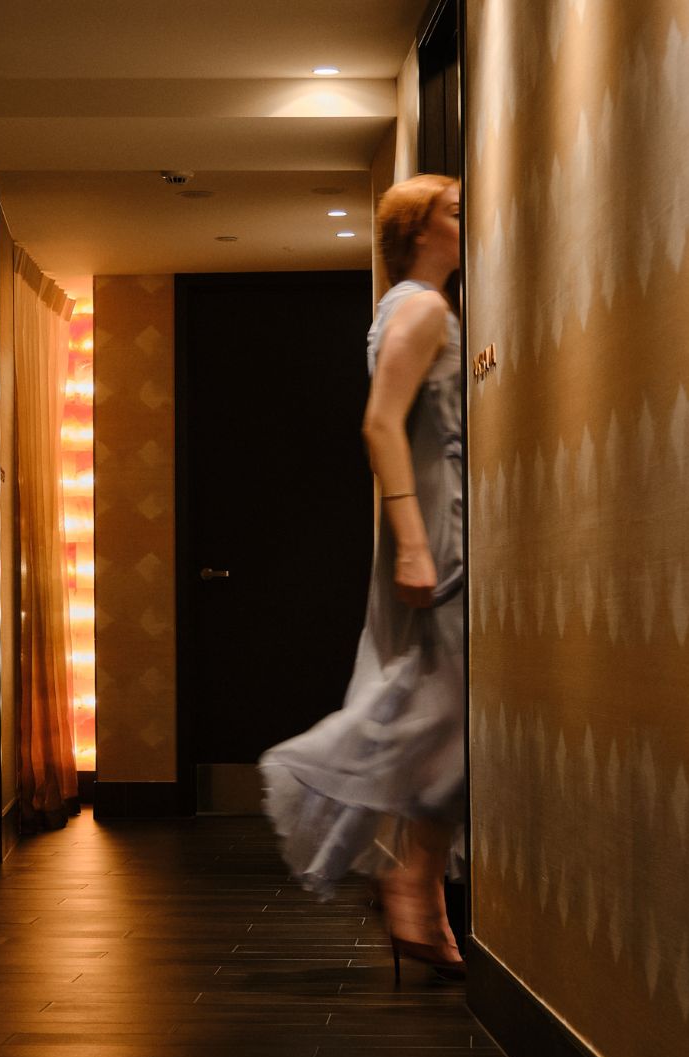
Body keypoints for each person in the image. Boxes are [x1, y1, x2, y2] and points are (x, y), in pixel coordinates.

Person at [259, 174, 465, 980]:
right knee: (445, 708)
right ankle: (410, 880)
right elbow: (380, 424)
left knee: (436, 703)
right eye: (453, 209)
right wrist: (416, 541)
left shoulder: (401, 309)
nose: (467, 219)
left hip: (430, 524)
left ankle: (419, 891)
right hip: (435, 531)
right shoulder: (422, 309)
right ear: (419, 231)